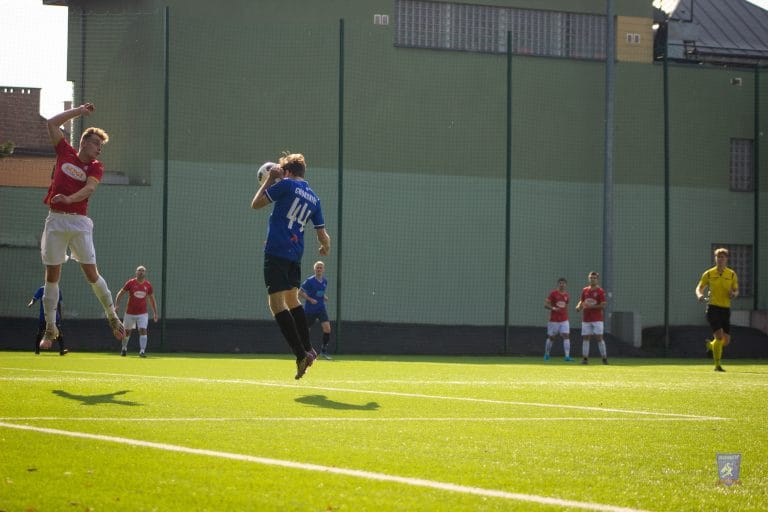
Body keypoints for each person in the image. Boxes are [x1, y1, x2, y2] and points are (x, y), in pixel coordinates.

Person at [37, 103, 125, 350]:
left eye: (101, 146)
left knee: (91, 273)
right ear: (84, 142)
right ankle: (51, 329)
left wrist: (69, 199)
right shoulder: (64, 151)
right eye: (96, 143)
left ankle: (111, 314)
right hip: (55, 220)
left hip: (79, 223)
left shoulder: (95, 167)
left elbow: (89, 189)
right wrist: (80, 111)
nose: (99, 149)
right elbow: (52, 123)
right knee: (52, 276)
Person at [251, 154, 331, 379]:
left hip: (276, 251)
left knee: (276, 304)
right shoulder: (314, 198)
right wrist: (325, 247)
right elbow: (323, 234)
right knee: (292, 299)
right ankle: (309, 348)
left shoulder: (285, 185)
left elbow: (256, 204)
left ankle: (300, 354)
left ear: (287, 172)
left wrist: (269, 180)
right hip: (295, 254)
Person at [696, 247, 739, 372]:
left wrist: (734, 294)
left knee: (725, 341)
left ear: (726, 259)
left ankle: (711, 345)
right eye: (718, 257)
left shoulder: (731, 274)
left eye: (723, 257)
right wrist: (699, 295)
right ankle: (717, 365)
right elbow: (699, 287)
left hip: (725, 309)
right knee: (719, 337)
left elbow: (736, 291)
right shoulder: (709, 273)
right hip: (713, 308)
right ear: (715, 259)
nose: (720, 259)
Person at [114, 265, 159, 358]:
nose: (141, 272)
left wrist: (155, 313)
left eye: (143, 271)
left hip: (143, 313)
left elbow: (152, 299)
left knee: (143, 330)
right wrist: (117, 305)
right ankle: (124, 348)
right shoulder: (130, 283)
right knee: (127, 332)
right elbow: (120, 293)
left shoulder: (148, 285)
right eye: (139, 270)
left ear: (145, 273)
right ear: (136, 272)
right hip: (129, 313)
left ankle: (142, 351)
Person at [299, 261, 332, 360]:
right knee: (306, 331)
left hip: (321, 308)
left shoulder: (325, 281)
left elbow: (319, 293)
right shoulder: (309, 281)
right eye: (317, 267)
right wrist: (310, 299)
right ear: (314, 269)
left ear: (323, 269)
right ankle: (306, 351)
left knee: (327, 328)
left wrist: (324, 297)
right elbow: (300, 292)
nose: (319, 269)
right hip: (310, 310)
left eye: (321, 267)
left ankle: (323, 351)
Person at [575, 271, 608, 364]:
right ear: (588, 278)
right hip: (586, 319)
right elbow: (581, 301)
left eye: (594, 278)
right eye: (591, 278)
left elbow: (603, 305)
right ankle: (585, 359)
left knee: (599, 338)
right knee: (586, 338)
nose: (592, 279)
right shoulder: (585, 290)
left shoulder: (600, 291)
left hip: (597, 319)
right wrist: (578, 306)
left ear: (597, 279)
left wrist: (591, 307)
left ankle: (604, 358)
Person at [28, 285, 67, 355]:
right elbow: (35, 298)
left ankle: (62, 350)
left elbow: (59, 303)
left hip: (55, 317)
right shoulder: (41, 289)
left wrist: (60, 315)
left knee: (58, 333)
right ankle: (37, 350)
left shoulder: (57, 290)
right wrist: (31, 303)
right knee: (40, 333)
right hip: (44, 316)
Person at [544, 277, 571, 361]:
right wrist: (554, 308)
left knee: (566, 336)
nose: (562, 285)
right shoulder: (553, 294)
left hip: (564, 320)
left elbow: (565, 306)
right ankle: (547, 354)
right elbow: (546, 305)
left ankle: (567, 356)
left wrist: (566, 316)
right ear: (558, 284)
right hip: (554, 320)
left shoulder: (567, 295)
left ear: (565, 285)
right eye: (560, 283)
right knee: (551, 337)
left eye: (563, 283)